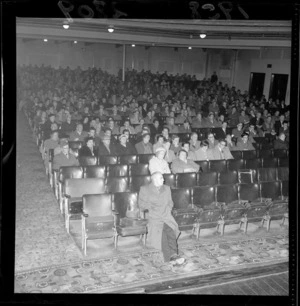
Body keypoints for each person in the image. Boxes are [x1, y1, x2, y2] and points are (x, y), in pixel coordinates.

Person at [138, 172, 185, 265]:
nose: (163, 179)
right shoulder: (145, 189)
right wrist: (152, 206)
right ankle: (170, 257)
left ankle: (174, 254)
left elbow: (170, 203)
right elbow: (141, 206)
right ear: (154, 179)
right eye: (161, 178)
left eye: (163, 178)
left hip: (166, 215)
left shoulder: (167, 189)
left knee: (171, 231)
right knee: (162, 233)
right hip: (154, 217)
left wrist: (167, 211)